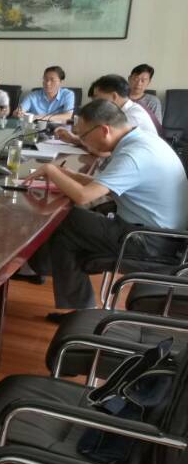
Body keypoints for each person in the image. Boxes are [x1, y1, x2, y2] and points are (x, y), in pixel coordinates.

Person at [24, 99, 188, 317]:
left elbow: (84, 196)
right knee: (67, 233)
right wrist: (69, 175)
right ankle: (78, 308)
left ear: (104, 130)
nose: (82, 141)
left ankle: (38, 267)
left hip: (150, 241)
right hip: (161, 236)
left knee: (64, 218)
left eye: (83, 136)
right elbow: (106, 187)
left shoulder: (134, 155)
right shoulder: (141, 141)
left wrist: (50, 170)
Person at [54, 74, 158, 145]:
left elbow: (106, 146)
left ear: (114, 96)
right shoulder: (118, 112)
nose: (95, 103)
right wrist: (74, 138)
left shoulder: (133, 116)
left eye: (97, 98)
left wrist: (75, 139)